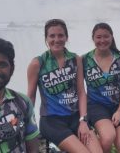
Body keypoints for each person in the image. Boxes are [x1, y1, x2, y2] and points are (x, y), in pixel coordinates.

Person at [27, 19, 102, 153]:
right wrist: (26, 126)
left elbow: (81, 92)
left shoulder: (75, 59)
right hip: (51, 121)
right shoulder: (37, 63)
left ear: (66, 37)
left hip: (76, 118)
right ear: (46, 38)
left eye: (60, 35)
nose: (57, 39)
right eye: (52, 36)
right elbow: (30, 97)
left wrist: (83, 121)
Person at [82, 22, 120, 153]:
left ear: (111, 37)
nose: (102, 40)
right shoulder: (84, 60)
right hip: (96, 106)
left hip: (119, 105)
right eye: (98, 37)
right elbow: (78, 88)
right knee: (108, 136)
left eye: (106, 36)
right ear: (93, 38)